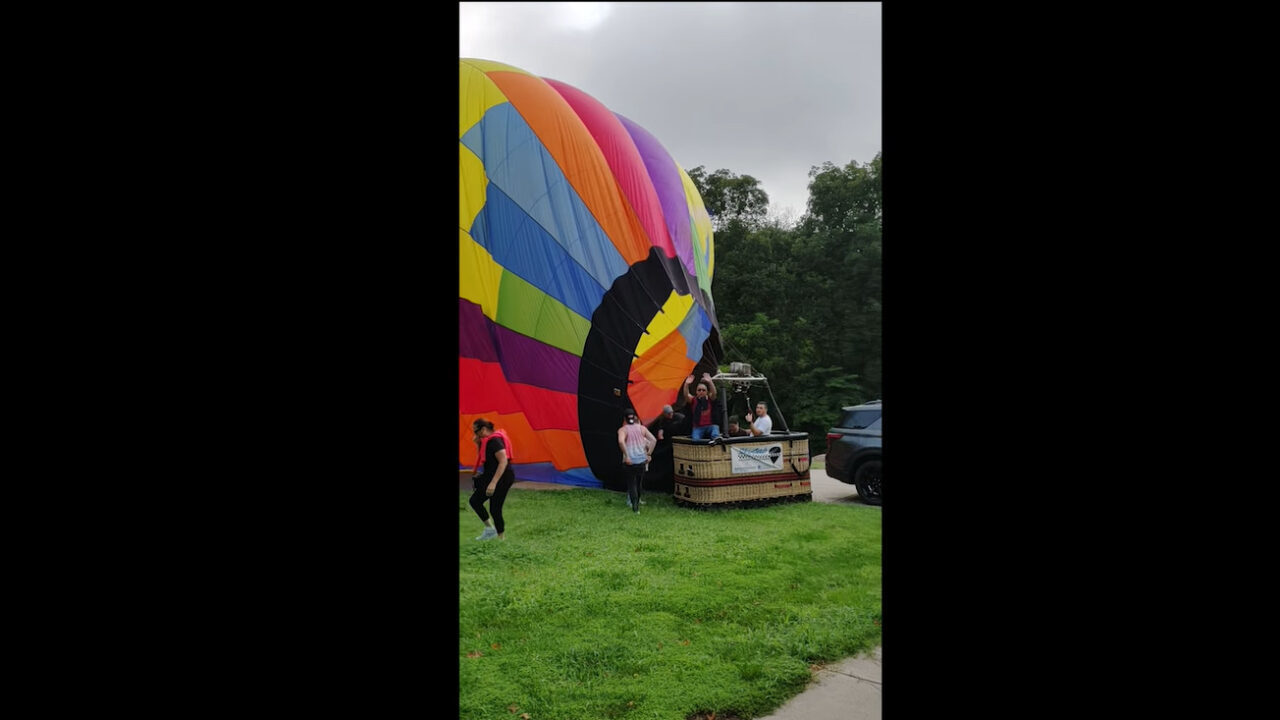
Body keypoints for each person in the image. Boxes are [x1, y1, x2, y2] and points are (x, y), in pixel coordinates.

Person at [469, 418, 516, 540]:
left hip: (503, 477)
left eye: (476, 431)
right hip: (492, 476)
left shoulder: (495, 441)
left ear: (483, 429)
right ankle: (490, 530)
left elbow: (503, 461)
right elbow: (485, 458)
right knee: (475, 501)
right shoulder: (487, 441)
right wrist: (478, 443)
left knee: (495, 508)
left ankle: (501, 538)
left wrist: (493, 483)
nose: (475, 434)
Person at [617, 408, 656, 513]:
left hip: (630, 461)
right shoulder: (642, 428)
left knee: (631, 484)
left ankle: (635, 508)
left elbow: (621, 441)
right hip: (641, 460)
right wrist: (648, 454)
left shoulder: (622, 430)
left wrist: (626, 455)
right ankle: (637, 504)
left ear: (624, 419)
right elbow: (653, 440)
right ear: (634, 418)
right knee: (638, 483)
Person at [646, 404, 685, 491]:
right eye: (668, 414)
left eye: (671, 413)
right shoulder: (663, 420)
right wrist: (661, 432)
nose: (670, 415)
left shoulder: (679, 418)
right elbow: (660, 429)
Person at [682, 372, 721, 441]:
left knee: (715, 429)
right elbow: (686, 395)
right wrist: (686, 384)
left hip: (710, 426)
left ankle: (716, 440)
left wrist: (710, 382)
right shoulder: (694, 400)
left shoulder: (709, 399)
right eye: (699, 390)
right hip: (698, 427)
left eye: (703, 390)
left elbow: (714, 393)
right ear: (696, 392)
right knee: (695, 440)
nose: (701, 391)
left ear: (706, 392)